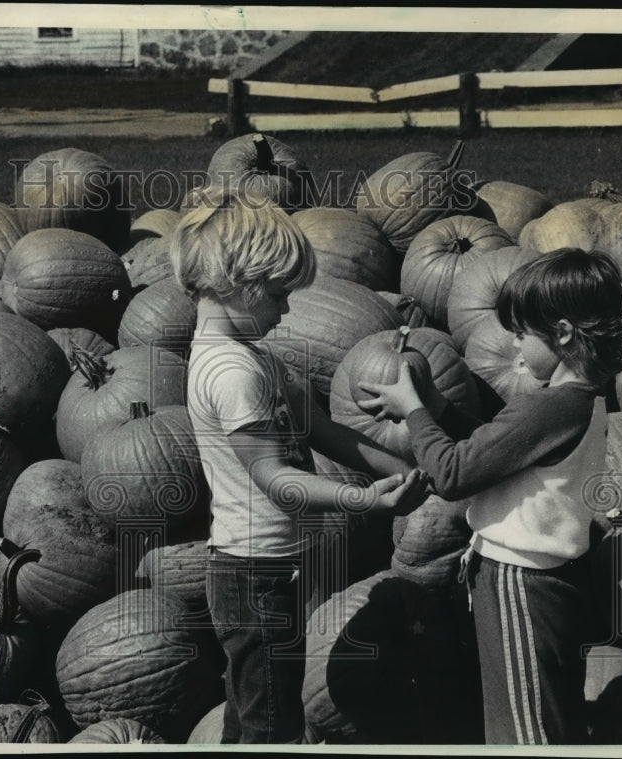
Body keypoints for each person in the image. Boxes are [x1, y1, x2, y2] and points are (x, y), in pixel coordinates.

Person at [171, 188, 429, 744]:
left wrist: (409, 465)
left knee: (254, 711)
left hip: (269, 567)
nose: (288, 309)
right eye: (280, 294)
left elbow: (320, 431)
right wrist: (368, 500)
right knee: (273, 723)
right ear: (238, 282)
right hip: (251, 575)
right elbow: (275, 479)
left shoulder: (255, 355)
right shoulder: (230, 373)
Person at [358, 248, 622, 745]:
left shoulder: (547, 407)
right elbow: (497, 450)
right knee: (543, 712)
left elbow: (453, 474)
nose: (516, 345)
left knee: (527, 732)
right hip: (545, 584)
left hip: (519, 585)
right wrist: (439, 406)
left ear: (564, 333)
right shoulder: (582, 402)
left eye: (523, 333)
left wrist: (415, 410)